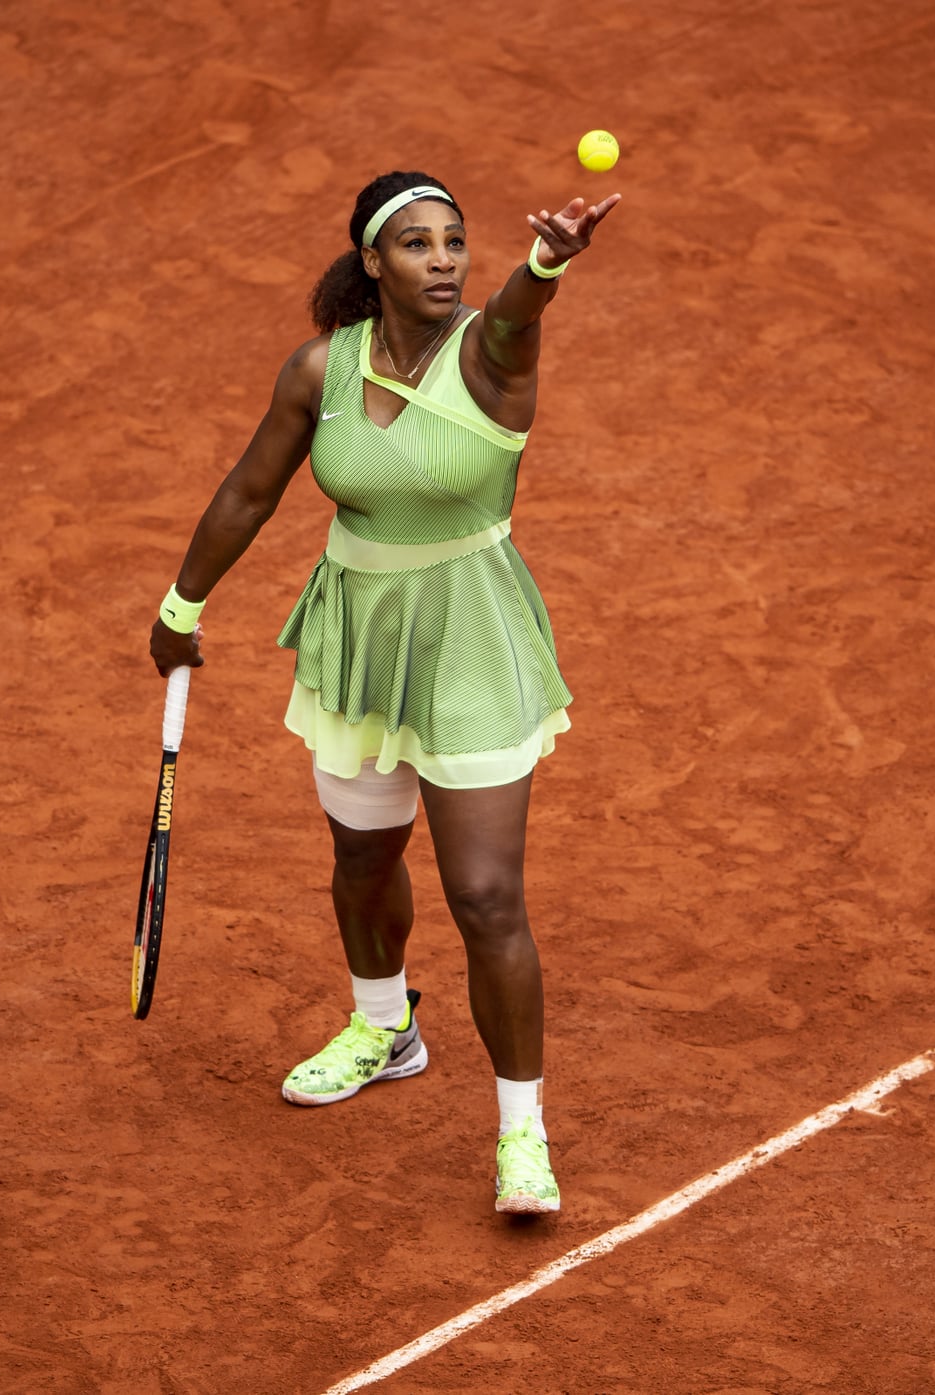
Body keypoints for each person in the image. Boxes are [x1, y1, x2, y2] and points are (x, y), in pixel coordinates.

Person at [149, 170, 619, 1215]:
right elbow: (249, 490)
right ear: (371, 262)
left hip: (469, 648)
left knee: (486, 898)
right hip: (357, 641)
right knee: (360, 855)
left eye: (454, 242)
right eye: (416, 244)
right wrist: (181, 609)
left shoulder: (493, 358)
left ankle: (521, 1137)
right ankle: (382, 1026)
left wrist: (545, 263)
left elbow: (514, 311)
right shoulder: (319, 367)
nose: (444, 260)